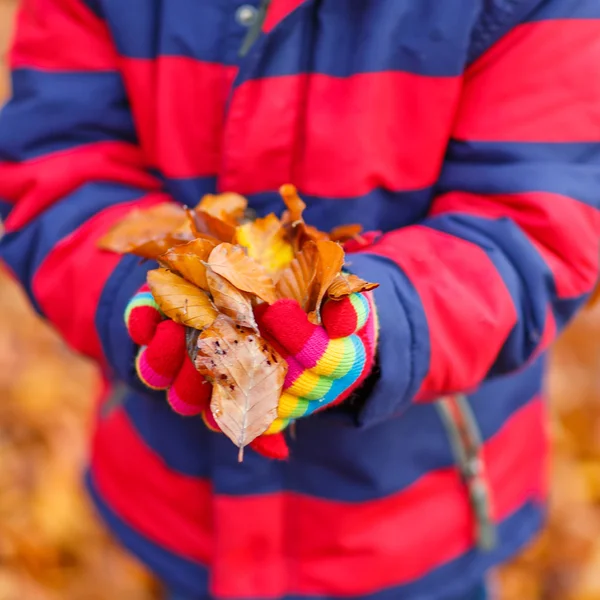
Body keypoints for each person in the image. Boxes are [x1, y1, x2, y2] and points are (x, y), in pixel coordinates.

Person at [1, 0, 599, 598]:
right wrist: (135, 290)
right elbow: (56, 161)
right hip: (177, 495)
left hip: (414, 514)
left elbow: (536, 224)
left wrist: (378, 326)